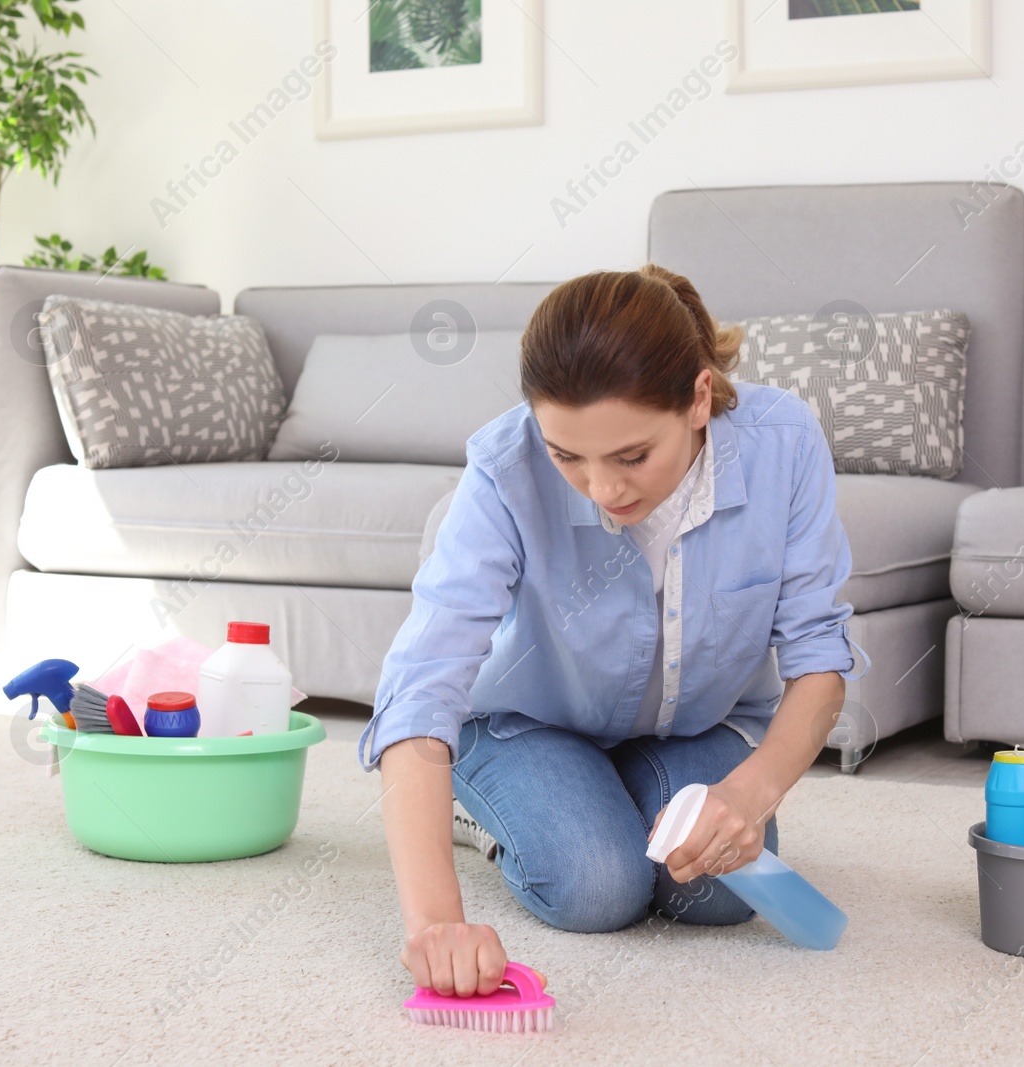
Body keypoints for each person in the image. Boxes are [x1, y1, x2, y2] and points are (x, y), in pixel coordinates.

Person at [358, 262, 871, 997]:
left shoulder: (782, 443)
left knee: (718, 893)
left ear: (698, 399)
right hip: (527, 722)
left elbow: (821, 657)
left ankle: (613, 796)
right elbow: (421, 683)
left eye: (632, 455)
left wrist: (749, 795)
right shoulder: (504, 468)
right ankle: (484, 811)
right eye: (567, 455)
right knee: (597, 887)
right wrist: (433, 922)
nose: (604, 489)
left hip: (692, 724)